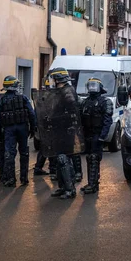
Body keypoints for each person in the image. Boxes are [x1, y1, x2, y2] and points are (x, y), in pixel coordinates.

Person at [0, 76, 37, 187]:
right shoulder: (23, 98)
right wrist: (33, 128)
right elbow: (32, 114)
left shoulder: (1, 100)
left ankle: (11, 179)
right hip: (23, 128)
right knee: (24, 152)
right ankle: (24, 178)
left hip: (8, 130)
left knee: (10, 153)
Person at [48, 67, 80, 199]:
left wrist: (58, 119)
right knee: (58, 159)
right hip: (58, 130)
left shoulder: (67, 92)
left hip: (66, 130)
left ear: (58, 78)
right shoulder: (61, 91)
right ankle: (62, 187)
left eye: (53, 78)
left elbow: (72, 112)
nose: (52, 81)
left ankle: (70, 189)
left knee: (63, 158)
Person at [79, 78, 113, 194]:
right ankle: (91, 183)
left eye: (94, 85)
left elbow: (107, 120)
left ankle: (93, 184)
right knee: (89, 158)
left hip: (97, 134)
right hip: (87, 134)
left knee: (94, 158)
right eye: (90, 85)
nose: (92, 87)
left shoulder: (105, 101)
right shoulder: (85, 102)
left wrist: (102, 136)